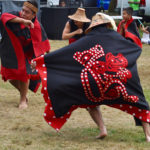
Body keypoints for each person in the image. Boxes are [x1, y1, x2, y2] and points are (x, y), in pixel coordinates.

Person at [32, 12, 150, 142]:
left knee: (90, 103)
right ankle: (148, 136)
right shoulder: (116, 37)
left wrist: (41, 61)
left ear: (92, 27)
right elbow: (135, 48)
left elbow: (62, 54)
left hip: (92, 85)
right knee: (139, 103)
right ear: (107, 25)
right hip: (119, 81)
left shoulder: (86, 40)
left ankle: (102, 129)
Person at [62, 7, 107, 139]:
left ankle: (101, 126)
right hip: (73, 62)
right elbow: (64, 36)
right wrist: (76, 31)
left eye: (79, 21)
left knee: (90, 101)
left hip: (87, 63)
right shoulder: (69, 24)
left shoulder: (90, 27)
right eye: (75, 20)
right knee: (86, 100)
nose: (76, 22)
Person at [0, 0, 50, 109]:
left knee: (24, 73)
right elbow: (3, 17)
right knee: (8, 76)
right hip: (9, 50)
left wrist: (40, 59)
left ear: (33, 15)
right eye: (23, 10)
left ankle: (23, 100)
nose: (23, 13)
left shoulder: (36, 26)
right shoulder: (14, 16)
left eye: (27, 12)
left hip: (26, 54)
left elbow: (42, 43)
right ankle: (24, 93)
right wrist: (22, 21)